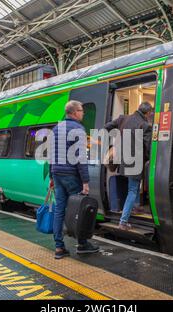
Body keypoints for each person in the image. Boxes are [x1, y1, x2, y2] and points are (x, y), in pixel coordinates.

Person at [49, 100, 100, 259]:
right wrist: (85, 181)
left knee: (59, 210)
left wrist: (51, 176)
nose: (83, 113)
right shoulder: (78, 129)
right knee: (79, 209)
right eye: (81, 110)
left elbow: (51, 154)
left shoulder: (56, 128)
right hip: (71, 175)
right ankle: (83, 244)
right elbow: (80, 157)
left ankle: (59, 247)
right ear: (74, 112)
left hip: (57, 174)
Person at [104, 102, 153, 230]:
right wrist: (151, 159)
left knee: (134, 187)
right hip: (135, 163)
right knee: (133, 189)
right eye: (150, 113)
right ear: (147, 113)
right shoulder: (145, 125)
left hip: (123, 161)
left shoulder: (122, 119)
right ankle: (123, 221)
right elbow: (149, 148)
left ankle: (135, 206)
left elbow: (107, 127)